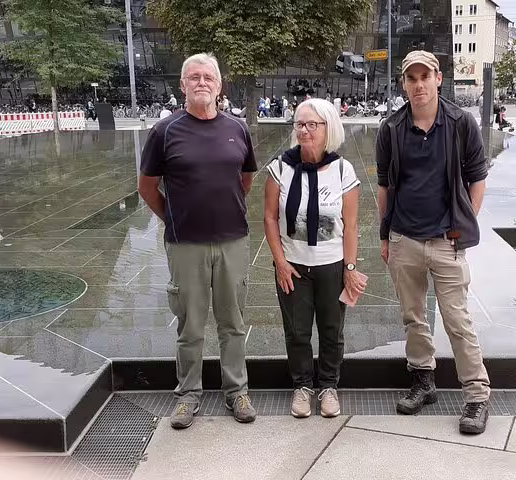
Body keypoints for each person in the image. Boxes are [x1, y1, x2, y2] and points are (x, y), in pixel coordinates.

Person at [138, 53, 258, 430]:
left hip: (232, 242)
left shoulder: (237, 128)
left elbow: (246, 179)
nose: (201, 82)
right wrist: (173, 217)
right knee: (190, 325)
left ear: (220, 86)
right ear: (183, 85)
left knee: (233, 322)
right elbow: (147, 187)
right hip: (185, 244)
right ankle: (188, 395)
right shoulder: (165, 131)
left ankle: (236, 391)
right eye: (194, 77)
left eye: (208, 77)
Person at [375, 50, 491, 434]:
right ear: (404, 83)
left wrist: (462, 226)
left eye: (426, 76)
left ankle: (476, 397)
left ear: (438, 78)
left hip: (446, 240)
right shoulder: (391, 128)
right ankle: (423, 381)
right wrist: (386, 235)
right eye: (412, 78)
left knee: (457, 320)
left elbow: (477, 178)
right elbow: (384, 186)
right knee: (413, 317)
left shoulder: (460, 123)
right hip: (405, 239)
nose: (419, 84)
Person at [264, 98, 365, 419]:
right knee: (297, 331)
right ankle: (303, 386)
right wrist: (280, 261)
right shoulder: (280, 168)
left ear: (328, 128)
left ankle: (329, 386)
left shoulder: (342, 170)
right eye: (299, 124)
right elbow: (268, 218)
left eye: (312, 125)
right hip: (292, 266)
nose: (305, 131)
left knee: (332, 330)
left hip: (332, 266)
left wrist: (350, 267)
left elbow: (350, 225)